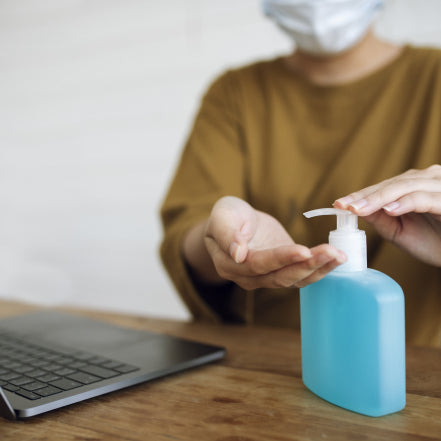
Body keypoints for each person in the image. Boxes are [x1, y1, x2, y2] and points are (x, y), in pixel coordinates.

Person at [160, 0, 441, 347]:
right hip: (267, 359)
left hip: (421, 367)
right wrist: (227, 238)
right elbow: (187, 227)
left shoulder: (434, 79)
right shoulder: (235, 94)